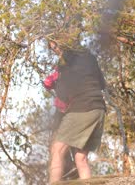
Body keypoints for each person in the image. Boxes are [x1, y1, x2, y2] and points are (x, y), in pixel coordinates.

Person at [45, 40, 107, 184]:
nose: (56, 50)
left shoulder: (65, 62)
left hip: (82, 108)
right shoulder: (89, 56)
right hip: (99, 109)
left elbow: (63, 94)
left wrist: (55, 83)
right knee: (81, 158)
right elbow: (102, 84)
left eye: (56, 46)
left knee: (57, 150)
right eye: (53, 48)